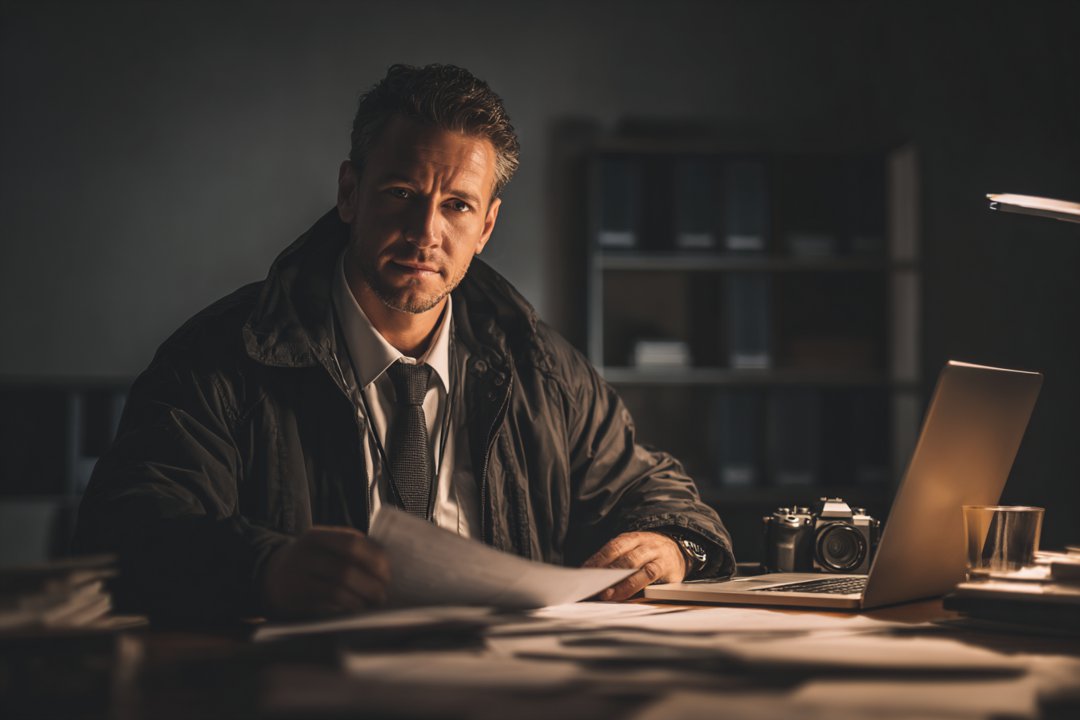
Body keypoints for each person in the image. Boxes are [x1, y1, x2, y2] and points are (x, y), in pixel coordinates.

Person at [74, 64, 735, 621]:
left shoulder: (540, 369)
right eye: (401, 193)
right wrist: (263, 567)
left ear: (487, 226)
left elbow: (659, 493)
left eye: (457, 205)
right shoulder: (224, 355)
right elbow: (125, 527)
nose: (426, 230)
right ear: (350, 193)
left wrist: (674, 545)